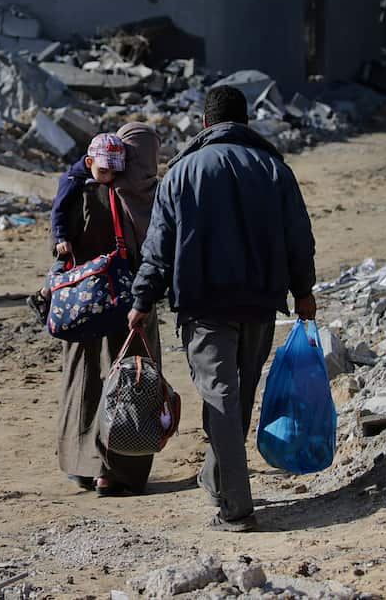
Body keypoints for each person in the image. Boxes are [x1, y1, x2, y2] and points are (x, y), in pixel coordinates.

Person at [128, 86, 317, 532]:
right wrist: (303, 291)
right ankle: (219, 481)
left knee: (221, 399)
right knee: (238, 399)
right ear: (245, 122)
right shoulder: (274, 169)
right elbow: (298, 238)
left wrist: (141, 300)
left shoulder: (181, 173)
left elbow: (159, 249)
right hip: (259, 303)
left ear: (205, 124)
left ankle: (236, 508)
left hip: (204, 304)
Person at [55, 123, 162, 496]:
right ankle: (117, 472)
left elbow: (61, 246)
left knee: (83, 382)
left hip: (84, 308)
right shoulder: (156, 198)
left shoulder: (86, 192)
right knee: (130, 385)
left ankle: (81, 465)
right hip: (131, 310)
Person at [28, 132, 128, 318]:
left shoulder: (101, 181)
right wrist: (61, 237)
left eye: (114, 173)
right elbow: (58, 210)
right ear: (90, 163)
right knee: (62, 268)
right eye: (104, 171)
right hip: (68, 238)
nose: (108, 178)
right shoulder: (72, 180)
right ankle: (44, 297)